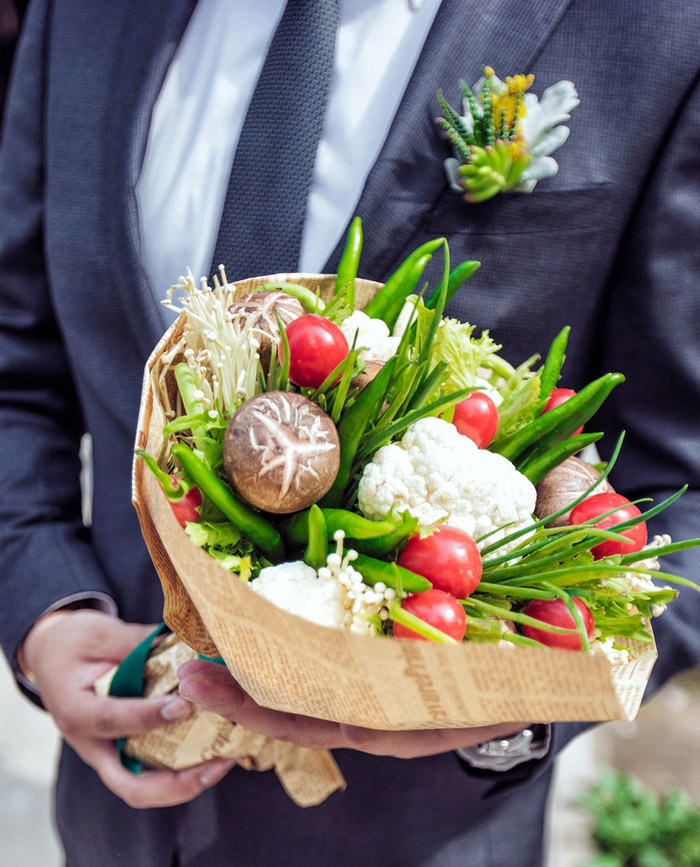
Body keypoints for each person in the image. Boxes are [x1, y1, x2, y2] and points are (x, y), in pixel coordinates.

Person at [1, 1, 699, 865]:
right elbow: (15, 359)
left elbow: (683, 492)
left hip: (412, 831)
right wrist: (43, 605)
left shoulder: (661, 28)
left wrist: (505, 702)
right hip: (120, 817)